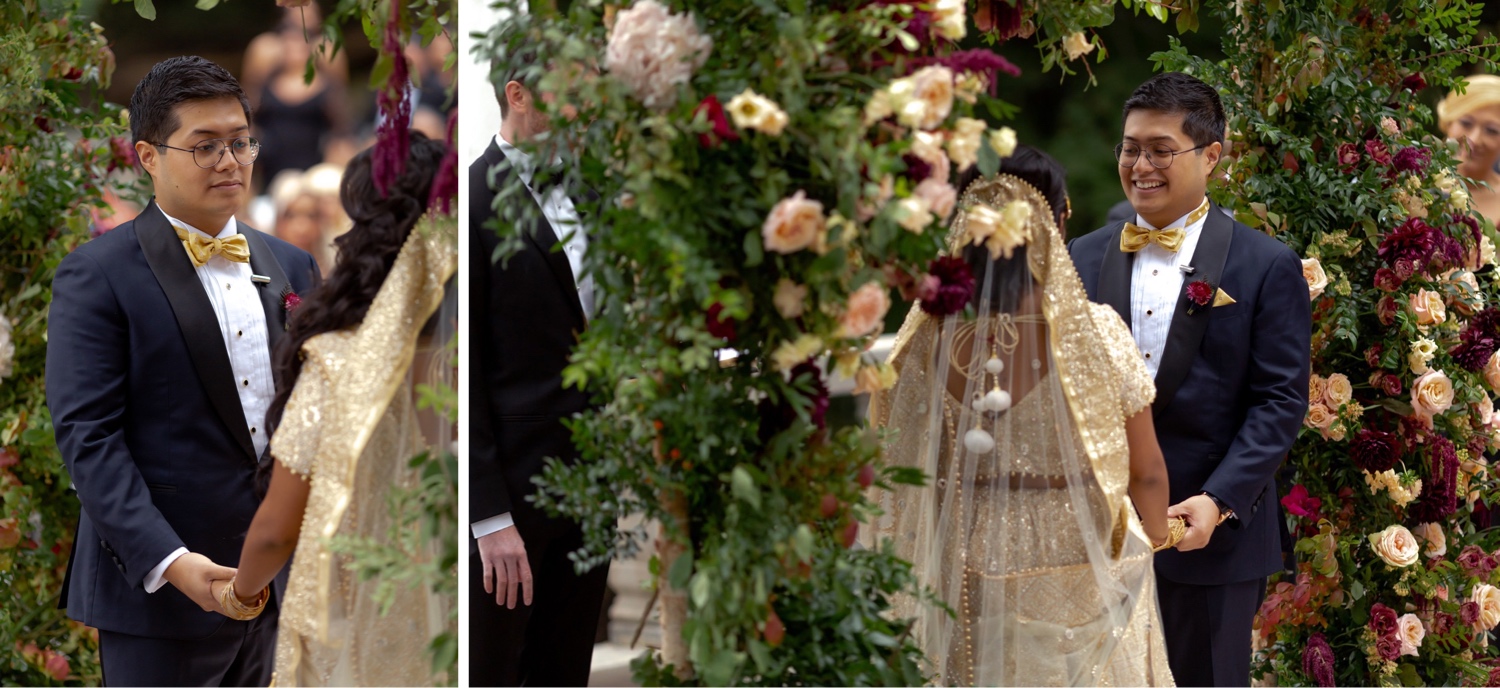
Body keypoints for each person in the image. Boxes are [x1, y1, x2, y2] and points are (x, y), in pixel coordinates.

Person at [46, 55, 320, 686]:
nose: (230, 161)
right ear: (147, 155)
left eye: (240, 142)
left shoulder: (293, 266)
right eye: (205, 147)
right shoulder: (98, 274)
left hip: (279, 586)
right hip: (160, 593)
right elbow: (89, 438)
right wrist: (171, 562)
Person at [872, 146, 1178, 686]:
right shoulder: (1094, 334)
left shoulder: (926, 340)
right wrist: (1159, 536)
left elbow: (900, 459)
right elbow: (1145, 470)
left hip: (967, 554)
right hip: (1081, 554)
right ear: (1057, 223)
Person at [1068, 71, 1312, 686]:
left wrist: (1221, 501)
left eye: (1160, 149)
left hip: (1209, 535)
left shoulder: (1266, 265)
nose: (1140, 164)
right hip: (1099, 536)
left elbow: (1280, 400)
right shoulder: (1080, 256)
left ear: (1210, 156)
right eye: (1130, 147)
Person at [210, 132, 455, 686]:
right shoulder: (469, 350)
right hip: (455, 612)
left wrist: (239, 593)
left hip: (358, 626)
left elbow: (278, 526)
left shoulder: (343, 361)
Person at [468, 50, 609, 685]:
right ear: (518, 95)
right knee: (495, 668)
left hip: (596, 483)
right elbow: (462, 373)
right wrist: (490, 516)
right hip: (511, 496)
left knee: (565, 669)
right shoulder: (469, 202)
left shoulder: (597, 191)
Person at [242, 4, 351, 193]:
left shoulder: (328, 52)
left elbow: (340, 118)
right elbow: (249, 102)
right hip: (272, 155)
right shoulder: (265, 50)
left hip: (313, 155)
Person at [1439, 74, 1500, 223]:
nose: (1474, 140)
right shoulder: (1413, 187)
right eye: (1466, 123)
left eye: (1491, 130)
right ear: (1448, 123)